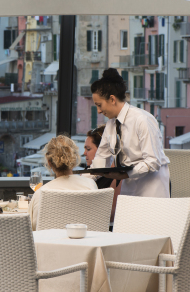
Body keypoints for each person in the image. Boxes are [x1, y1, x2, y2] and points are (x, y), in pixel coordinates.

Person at [90, 68, 170, 198]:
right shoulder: (111, 124)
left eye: (99, 105)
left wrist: (125, 174)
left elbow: (153, 161)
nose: (98, 111)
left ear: (112, 99)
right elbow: (101, 160)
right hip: (129, 185)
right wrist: (80, 182)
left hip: (152, 188)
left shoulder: (142, 119)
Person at [28, 135, 97, 230]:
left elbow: (32, 230)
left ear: (49, 162)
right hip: (86, 243)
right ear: (75, 158)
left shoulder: (41, 193)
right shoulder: (90, 185)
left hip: (50, 244)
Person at [84, 126, 122, 221]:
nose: (84, 153)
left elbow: (111, 215)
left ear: (103, 150)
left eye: (88, 149)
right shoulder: (88, 172)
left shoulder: (116, 177)